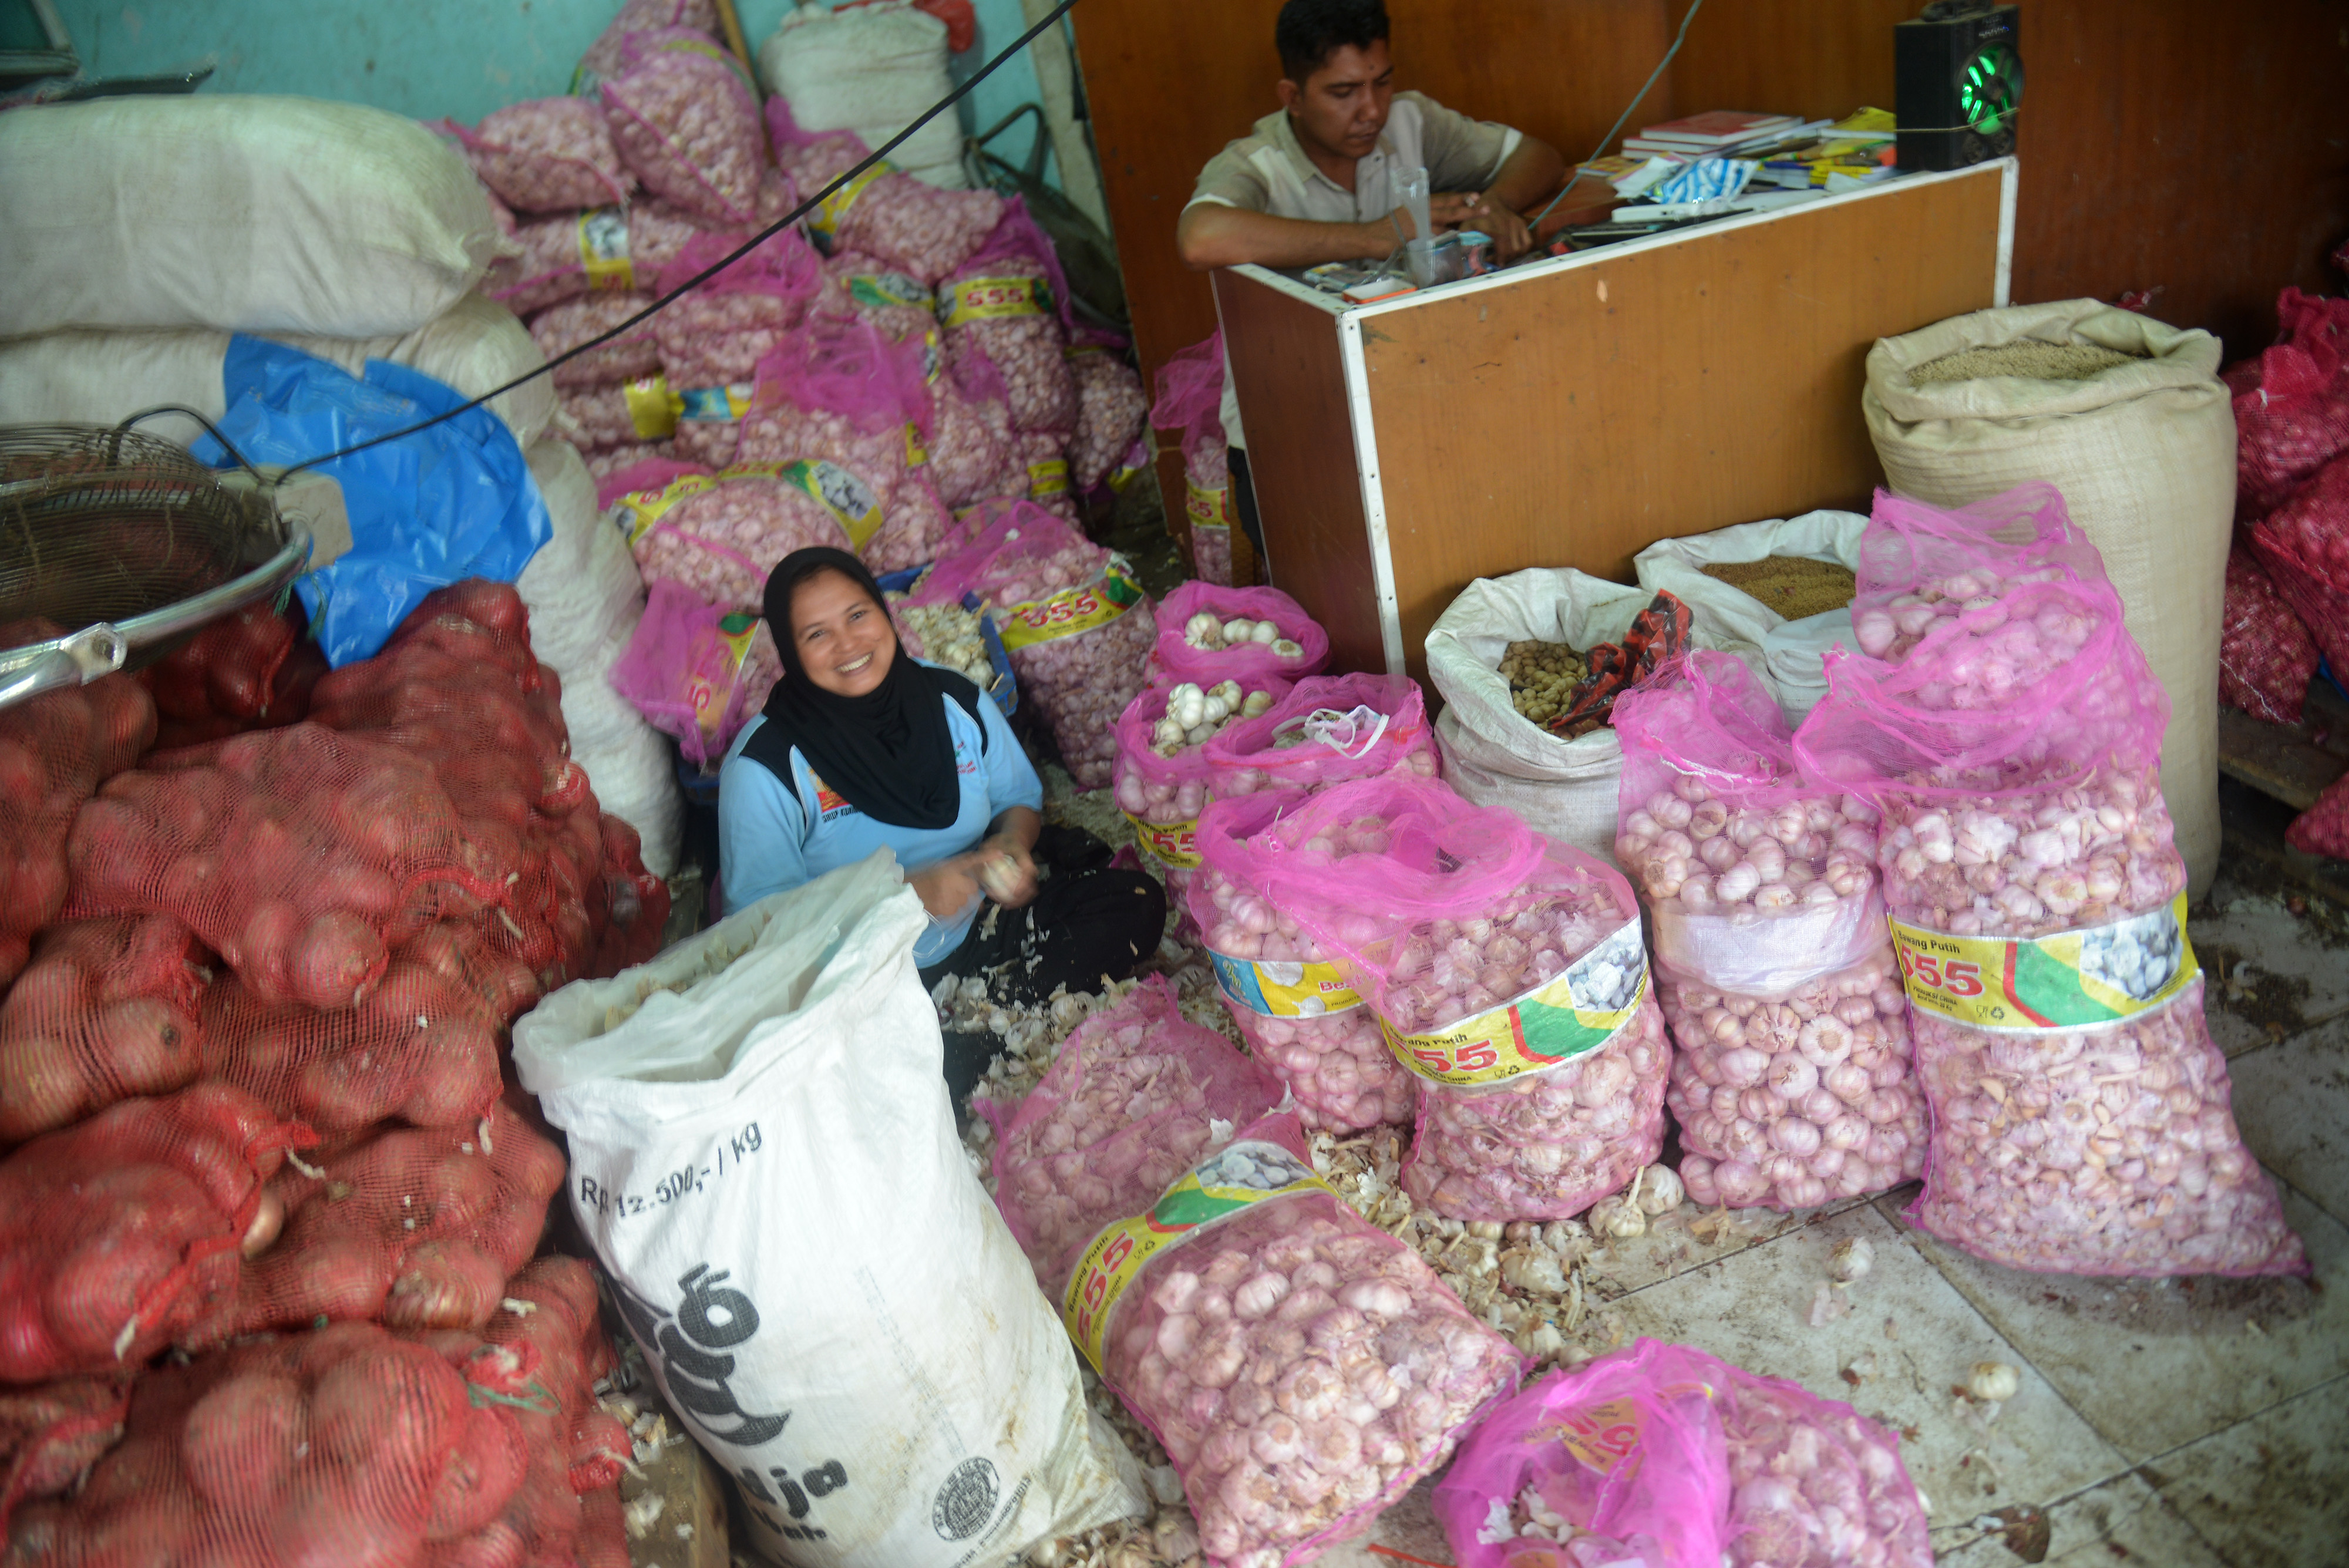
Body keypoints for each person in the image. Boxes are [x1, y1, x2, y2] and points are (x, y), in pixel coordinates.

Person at [718, 548, 1166, 1097]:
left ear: (886, 614)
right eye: (817, 634)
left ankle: (994, 1020)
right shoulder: (766, 767)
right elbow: (760, 929)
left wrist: (1009, 847)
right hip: (859, 981)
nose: (849, 644)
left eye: (858, 615)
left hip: (978, 935)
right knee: (845, 1081)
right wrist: (904, 896)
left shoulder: (951, 699)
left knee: (1135, 901)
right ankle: (955, 1047)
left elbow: (1017, 799)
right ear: (790, 651)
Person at [1176, 0, 1564, 562]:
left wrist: (1497, 204)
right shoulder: (1256, 164)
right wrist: (1378, 236)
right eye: (1343, 92)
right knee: (1329, 587)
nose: (1371, 110)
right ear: (1293, 97)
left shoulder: (1411, 121)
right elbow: (1200, 238)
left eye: (1381, 83)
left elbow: (1538, 155)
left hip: (1415, 409)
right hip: (1293, 436)